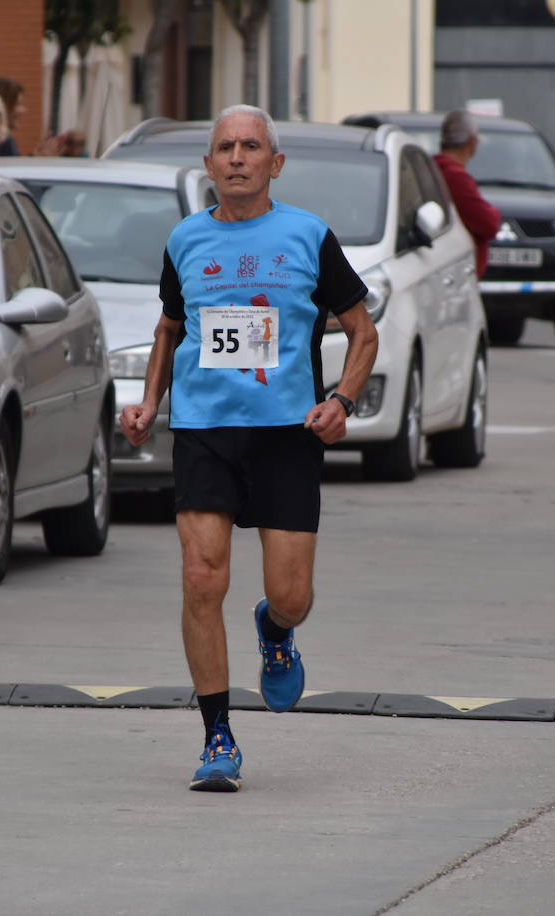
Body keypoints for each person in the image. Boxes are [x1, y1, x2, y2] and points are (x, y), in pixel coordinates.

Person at [119, 105, 378, 791]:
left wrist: (341, 401)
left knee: (291, 594)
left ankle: (276, 628)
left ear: (275, 163)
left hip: (286, 436)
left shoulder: (307, 236)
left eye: (251, 147)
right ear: (209, 165)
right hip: (205, 431)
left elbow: (362, 331)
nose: (237, 157)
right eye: (225, 147)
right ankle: (218, 736)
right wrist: (150, 402)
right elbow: (170, 330)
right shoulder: (185, 240)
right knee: (202, 579)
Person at [432, 109, 501, 280]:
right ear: (472, 142)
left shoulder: (433, 168)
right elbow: (487, 223)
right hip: (456, 275)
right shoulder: (454, 176)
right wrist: (493, 211)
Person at [0, 76, 26, 156]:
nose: (23, 110)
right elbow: (12, 167)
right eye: (18, 104)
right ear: (2, 106)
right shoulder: (1, 141)